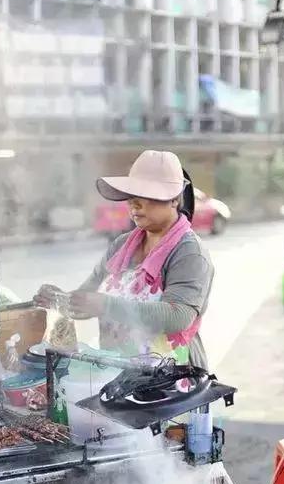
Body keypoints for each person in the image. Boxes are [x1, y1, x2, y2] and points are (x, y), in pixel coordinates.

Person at [35, 150, 214, 370]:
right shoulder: (122, 246)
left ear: (174, 199)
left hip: (171, 378)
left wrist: (106, 305)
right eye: (132, 195)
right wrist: (60, 300)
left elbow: (178, 316)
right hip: (119, 369)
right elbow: (88, 299)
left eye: (147, 195)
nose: (134, 204)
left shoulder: (189, 253)